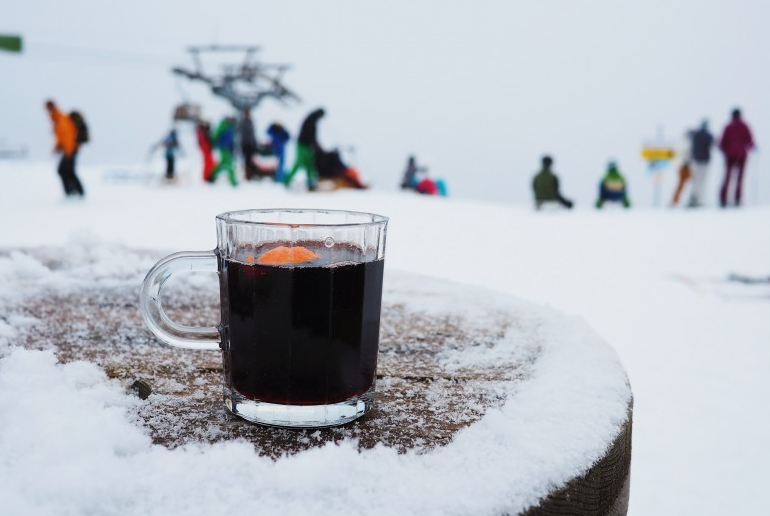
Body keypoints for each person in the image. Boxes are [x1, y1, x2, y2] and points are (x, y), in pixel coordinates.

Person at [45, 100, 84, 197]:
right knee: (67, 171)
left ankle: (75, 192)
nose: (47, 111)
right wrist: (56, 147)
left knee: (63, 170)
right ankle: (75, 192)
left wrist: (68, 151)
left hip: (71, 150)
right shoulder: (57, 119)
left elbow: (68, 136)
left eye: (49, 108)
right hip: (69, 150)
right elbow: (60, 137)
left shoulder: (61, 119)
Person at [718, 108, 754, 207]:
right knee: (740, 178)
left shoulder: (728, 127)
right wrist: (751, 146)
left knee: (727, 177)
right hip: (742, 154)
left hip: (729, 154)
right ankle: (737, 199)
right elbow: (750, 141)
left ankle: (723, 199)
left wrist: (724, 149)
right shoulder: (745, 126)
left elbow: (722, 142)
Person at [284, 108, 325, 190]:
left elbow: (312, 136)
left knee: (309, 164)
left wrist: (315, 144)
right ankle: (287, 180)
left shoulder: (312, 119)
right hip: (302, 145)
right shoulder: (311, 120)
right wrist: (315, 144)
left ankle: (310, 183)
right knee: (299, 163)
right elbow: (310, 135)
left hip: (307, 146)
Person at [688, 120, 714, 207]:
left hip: (697, 160)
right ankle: (699, 199)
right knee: (702, 181)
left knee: (696, 180)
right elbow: (713, 143)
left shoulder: (695, 135)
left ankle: (694, 198)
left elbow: (692, 145)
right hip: (704, 161)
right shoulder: (708, 135)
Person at [208, 116, 238, 186]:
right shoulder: (223, 125)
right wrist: (214, 142)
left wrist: (232, 146)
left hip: (228, 148)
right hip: (223, 147)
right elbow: (215, 135)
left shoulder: (231, 127)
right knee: (229, 163)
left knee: (223, 163)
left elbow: (231, 138)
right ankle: (233, 181)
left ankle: (211, 175)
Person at [670, 130, 693, 207]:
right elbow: (684, 155)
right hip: (685, 166)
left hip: (686, 166)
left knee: (683, 184)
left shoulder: (684, 143)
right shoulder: (686, 144)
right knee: (681, 184)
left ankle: (677, 200)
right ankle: (675, 201)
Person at [238, 109, 259, 180]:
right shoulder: (242, 122)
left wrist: (255, 143)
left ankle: (252, 174)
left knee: (252, 160)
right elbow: (240, 133)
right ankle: (248, 175)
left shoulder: (251, 122)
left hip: (251, 144)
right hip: (245, 144)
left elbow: (253, 134)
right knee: (247, 160)